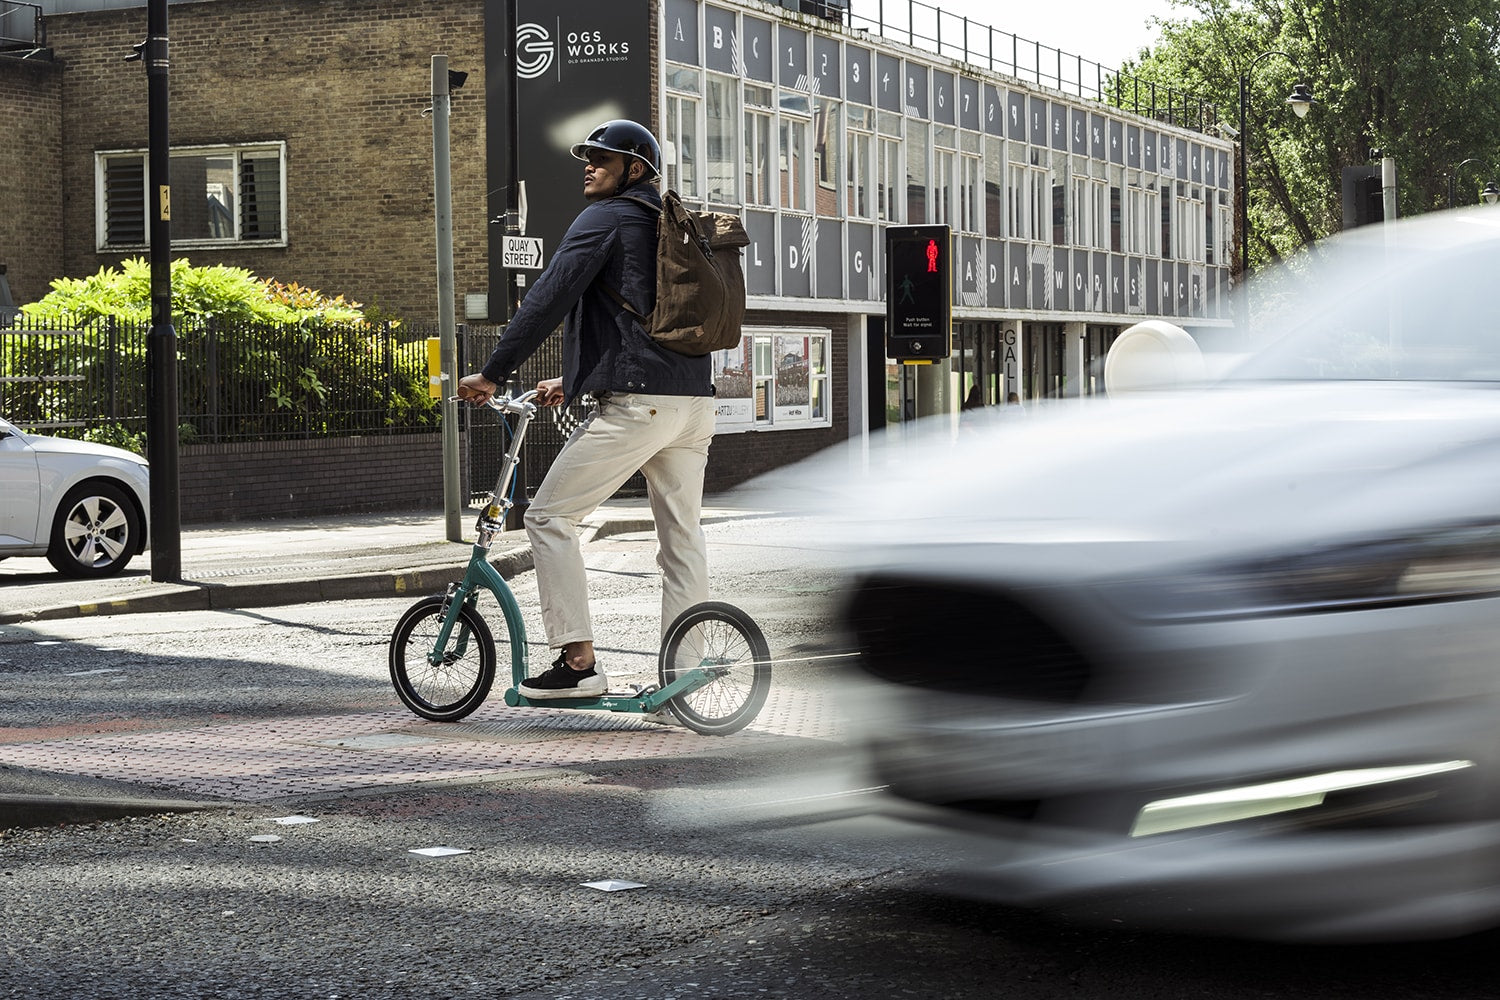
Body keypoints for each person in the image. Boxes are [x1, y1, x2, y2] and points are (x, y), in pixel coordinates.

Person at [456, 120, 716, 700]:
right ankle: (686, 671)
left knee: (548, 518)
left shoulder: (608, 218)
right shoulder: (668, 224)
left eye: (603, 157)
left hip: (640, 406)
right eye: (587, 156)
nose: (589, 164)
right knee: (682, 539)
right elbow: (638, 322)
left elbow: (550, 296)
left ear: (636, 169)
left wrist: (494, 373)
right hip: (693, 403)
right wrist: (571, 382)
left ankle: (577, 663)